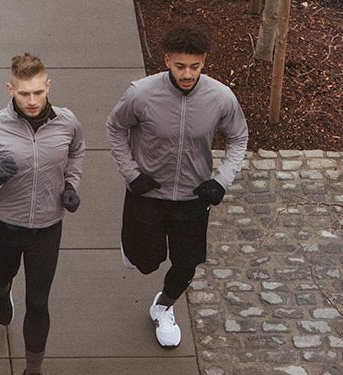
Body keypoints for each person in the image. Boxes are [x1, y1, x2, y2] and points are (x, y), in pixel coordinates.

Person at [106, 26, 249, 348]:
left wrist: (221, 180)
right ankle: (139, 250)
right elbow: (115, 129)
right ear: (167, 60)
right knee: (145, 262)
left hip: (193, 197)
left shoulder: (221, 97)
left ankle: (163, 306)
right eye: (180, 66)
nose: (187, 74)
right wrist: (131, 173)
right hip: (147, 193)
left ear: (204, 62)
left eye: (195, 66)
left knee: (186, 263)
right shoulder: (140, 94)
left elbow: (239, 137)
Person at [0, 53, 84, 375]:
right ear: (10, 89)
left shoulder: (67, 122)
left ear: (47, 86)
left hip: (48, 226)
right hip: (5, 224)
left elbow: (76, 152)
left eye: (38, 92)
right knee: (4, 272)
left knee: (38, 303)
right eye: (23, 93)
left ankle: (33, 370)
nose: (32, 101)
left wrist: (71, 185)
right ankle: (0, 290)